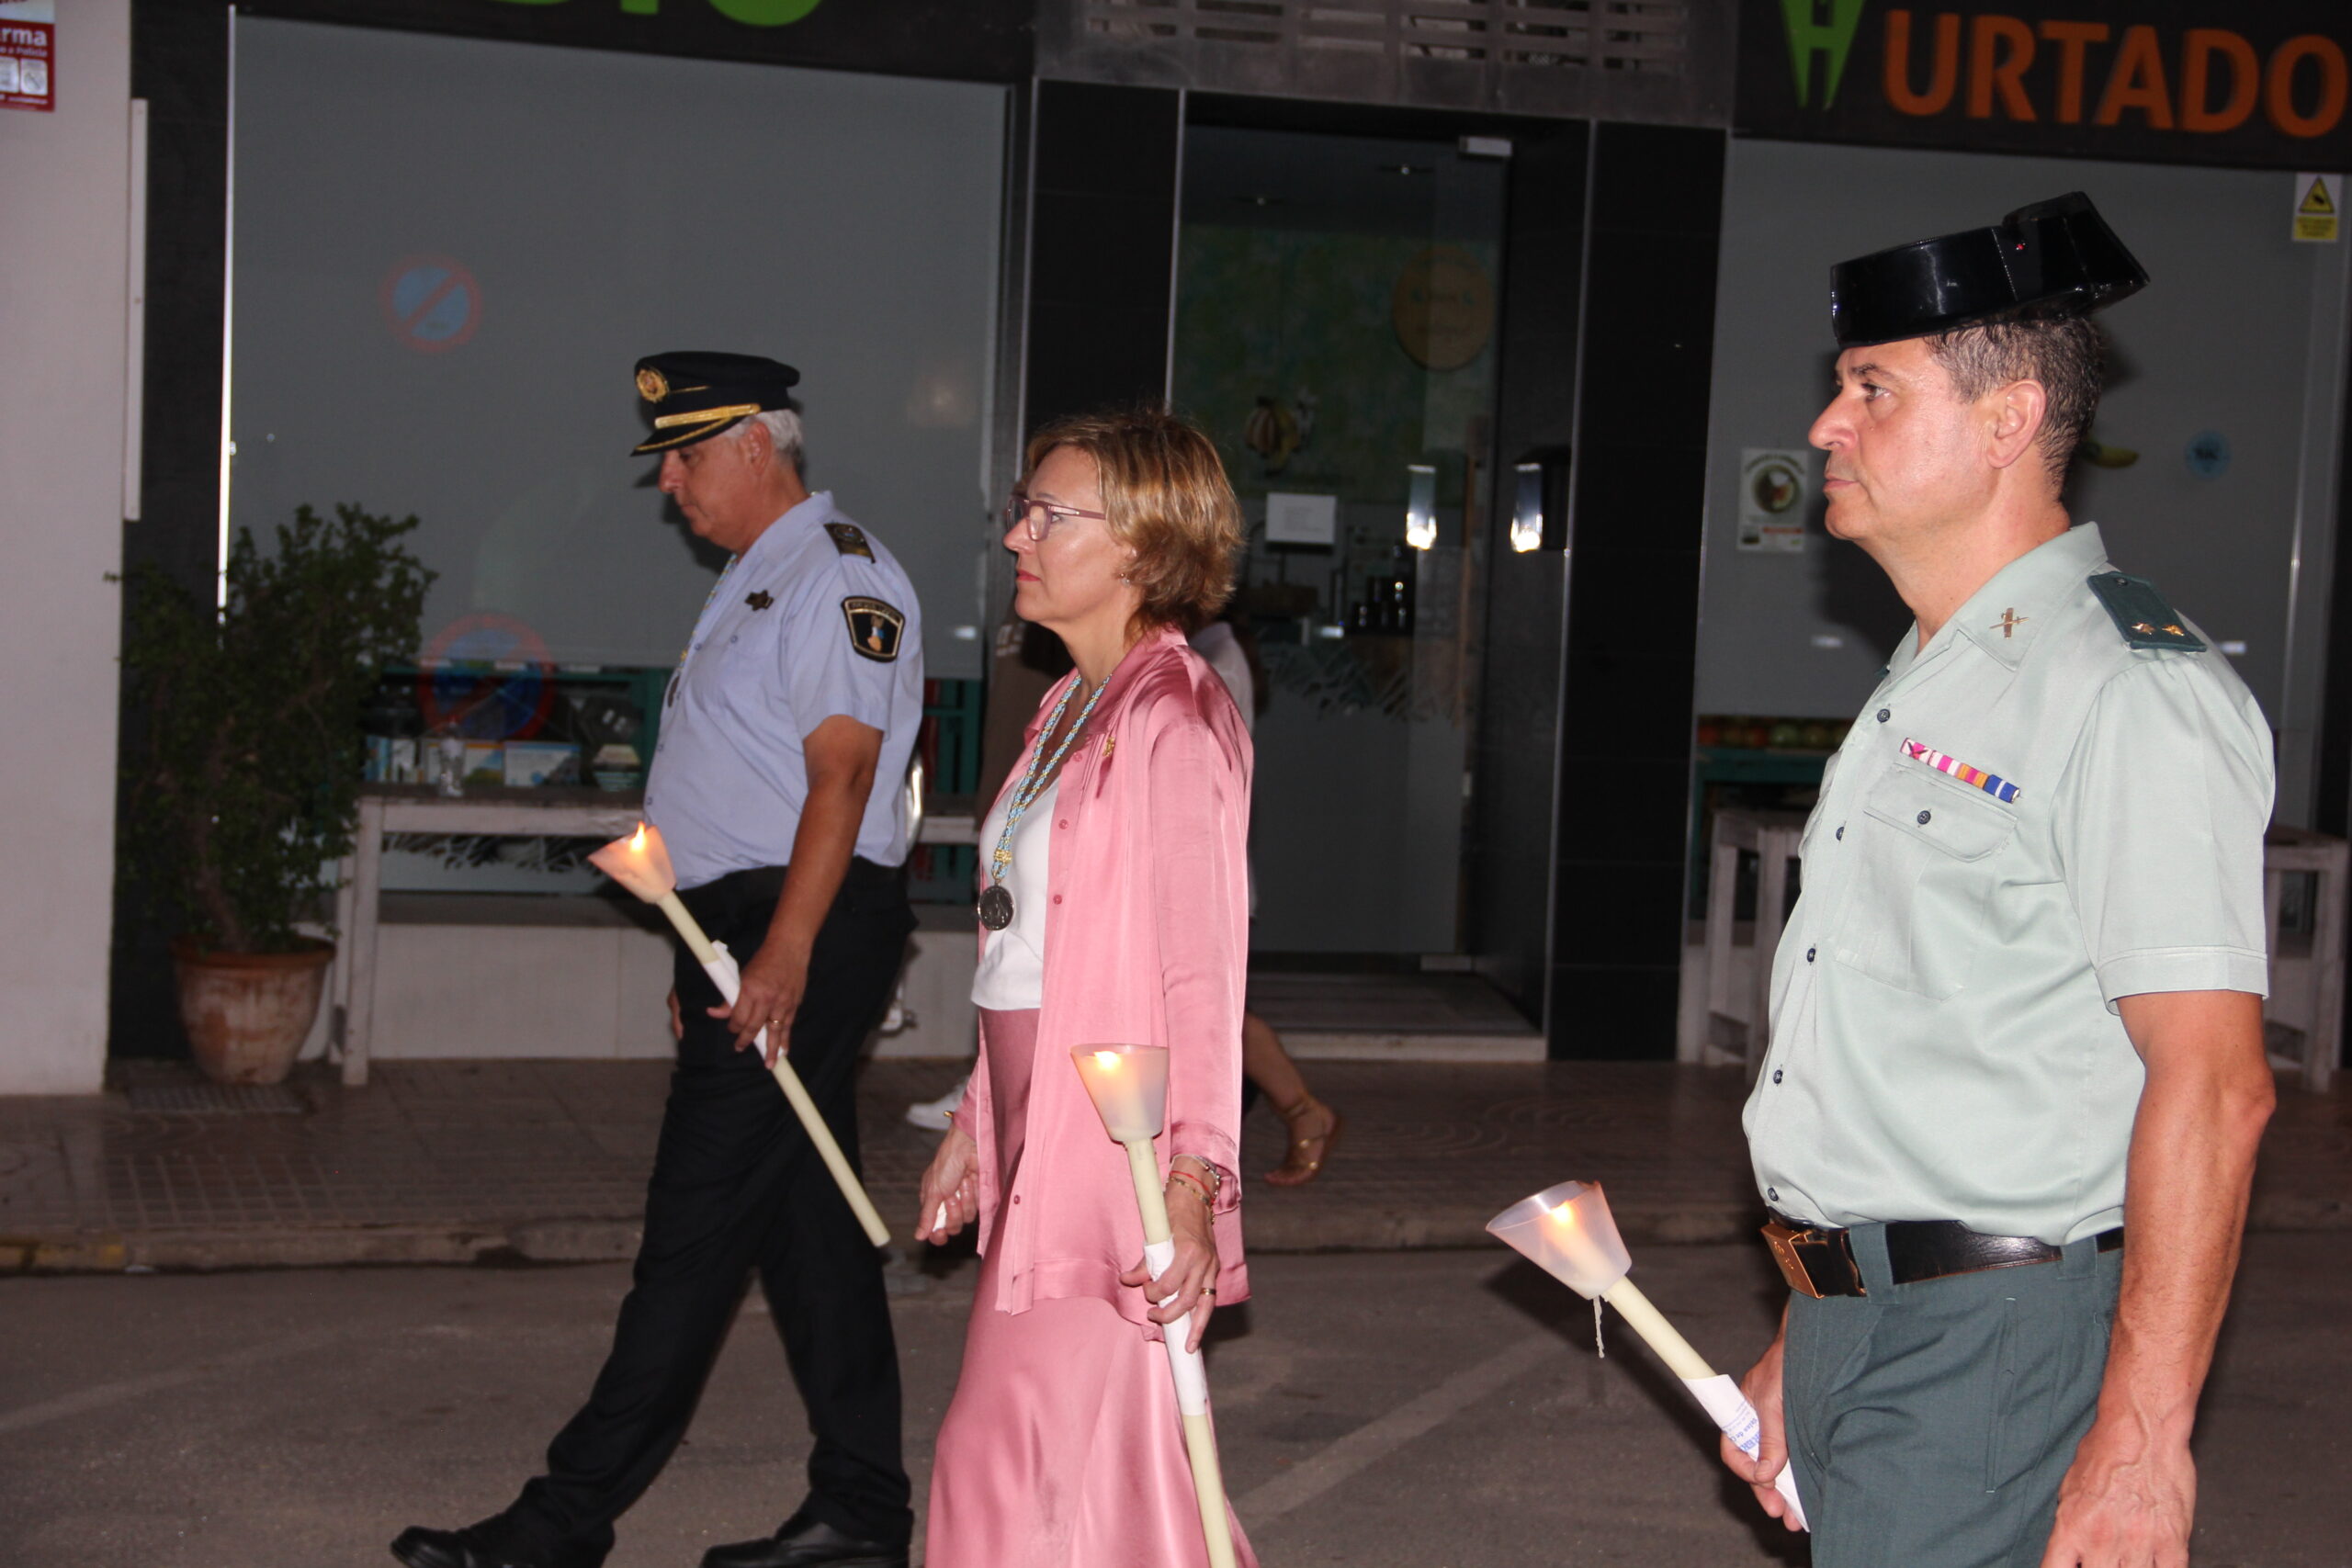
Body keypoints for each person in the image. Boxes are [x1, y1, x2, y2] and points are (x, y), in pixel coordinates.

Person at [1723, 194, 2276, 1568]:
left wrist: (2145, 1437)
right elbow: (1916, 1057)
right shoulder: (1936, 674)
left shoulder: (2125, 688)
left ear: (2008, 419)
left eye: (1871, 390)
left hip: (1993, 1348)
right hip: (1873, 1319)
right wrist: (1818, 1317)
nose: (1825, 427)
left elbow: (2214, 1081)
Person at [394, 353, 924, 1568]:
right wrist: (710, 955)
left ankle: (563, 1517)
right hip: (745, 922)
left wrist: (779, 953)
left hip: (804, 916)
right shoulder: (760, 574)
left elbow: (841, 773)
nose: (669, 483)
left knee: (694, 1226)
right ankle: (862, 1510)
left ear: (754, 445)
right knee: (804, 1222)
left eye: (684, 457)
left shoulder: (840, 573)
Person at [912, 408, 1257, 1568]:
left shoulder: (1175, 717)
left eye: (1050, 515)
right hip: (1037, 1128)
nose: (1019, 533)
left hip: (1118, 1154)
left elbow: (1200, 973)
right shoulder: (1070, 705)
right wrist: (977, 1116)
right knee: (1079, 1482)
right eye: (1022, 506)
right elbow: (1028, 946)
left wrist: (1198, 1176)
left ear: (1143, 545)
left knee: (1022, 1471)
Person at [1188, 607, 1343, 1184]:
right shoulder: (1210, 655)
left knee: (1221, 1018)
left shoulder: (1213, 662)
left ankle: (1306, 1113)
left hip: (1206, 875)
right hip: (1206, 872)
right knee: (1215, 1016)